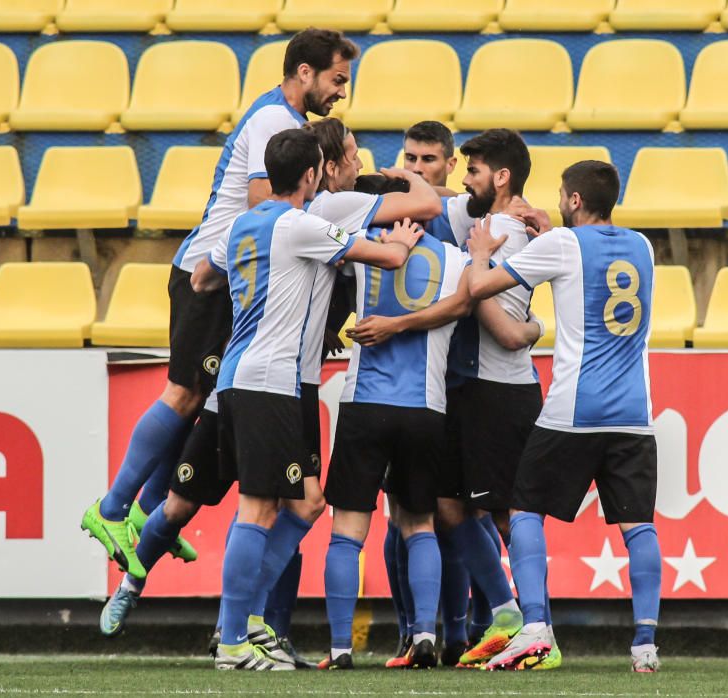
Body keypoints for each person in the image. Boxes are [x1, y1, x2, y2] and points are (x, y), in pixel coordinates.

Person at [92, 28, 359, 649]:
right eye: (338, 80)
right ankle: (119, 524)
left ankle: (242, 625)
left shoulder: (317, 194)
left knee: (289, 504)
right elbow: (261, 213)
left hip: (278, 374)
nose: (341, 93)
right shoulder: (282, 148)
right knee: (190, 413)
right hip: (245, 353)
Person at [190, 129, 422, 671]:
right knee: (260, 506)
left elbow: (202, 279)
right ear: (313, 175)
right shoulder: (300, 226)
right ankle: (232, 641)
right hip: (269, 379)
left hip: (243, 376)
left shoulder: (242, 225)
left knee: (305, 504)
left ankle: (243, 622)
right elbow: (385, 257)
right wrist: (405, 243)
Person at [352, 129, 544, 669]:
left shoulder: (487, 225)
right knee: (435, 510)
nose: (424, 168)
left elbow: (486, 313)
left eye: (433, 161)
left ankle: (521, 623)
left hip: (484, 388)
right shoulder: (452, 217)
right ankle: (466, 625)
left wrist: (401, 323)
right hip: (445, 388)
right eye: (410, 159)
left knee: (496, 514)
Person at [465, 160, 662, 672]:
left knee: (525, 508)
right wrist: (555, 239)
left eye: (560, 194)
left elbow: (482, 289)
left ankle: (534, 628)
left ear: (574, 200)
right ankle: (644, 646)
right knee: (639, 527)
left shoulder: (559, 245)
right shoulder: (644, 247)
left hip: (574, 408)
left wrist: (480, 255)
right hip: (635, 412)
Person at [318, 212, 472, 671]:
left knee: (347, 534)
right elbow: (472, 303)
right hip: (425, 406)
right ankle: (425, 635)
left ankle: (340, 648)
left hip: (364, 402)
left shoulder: (365, 244)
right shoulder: (455, 257)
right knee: (419, 525)